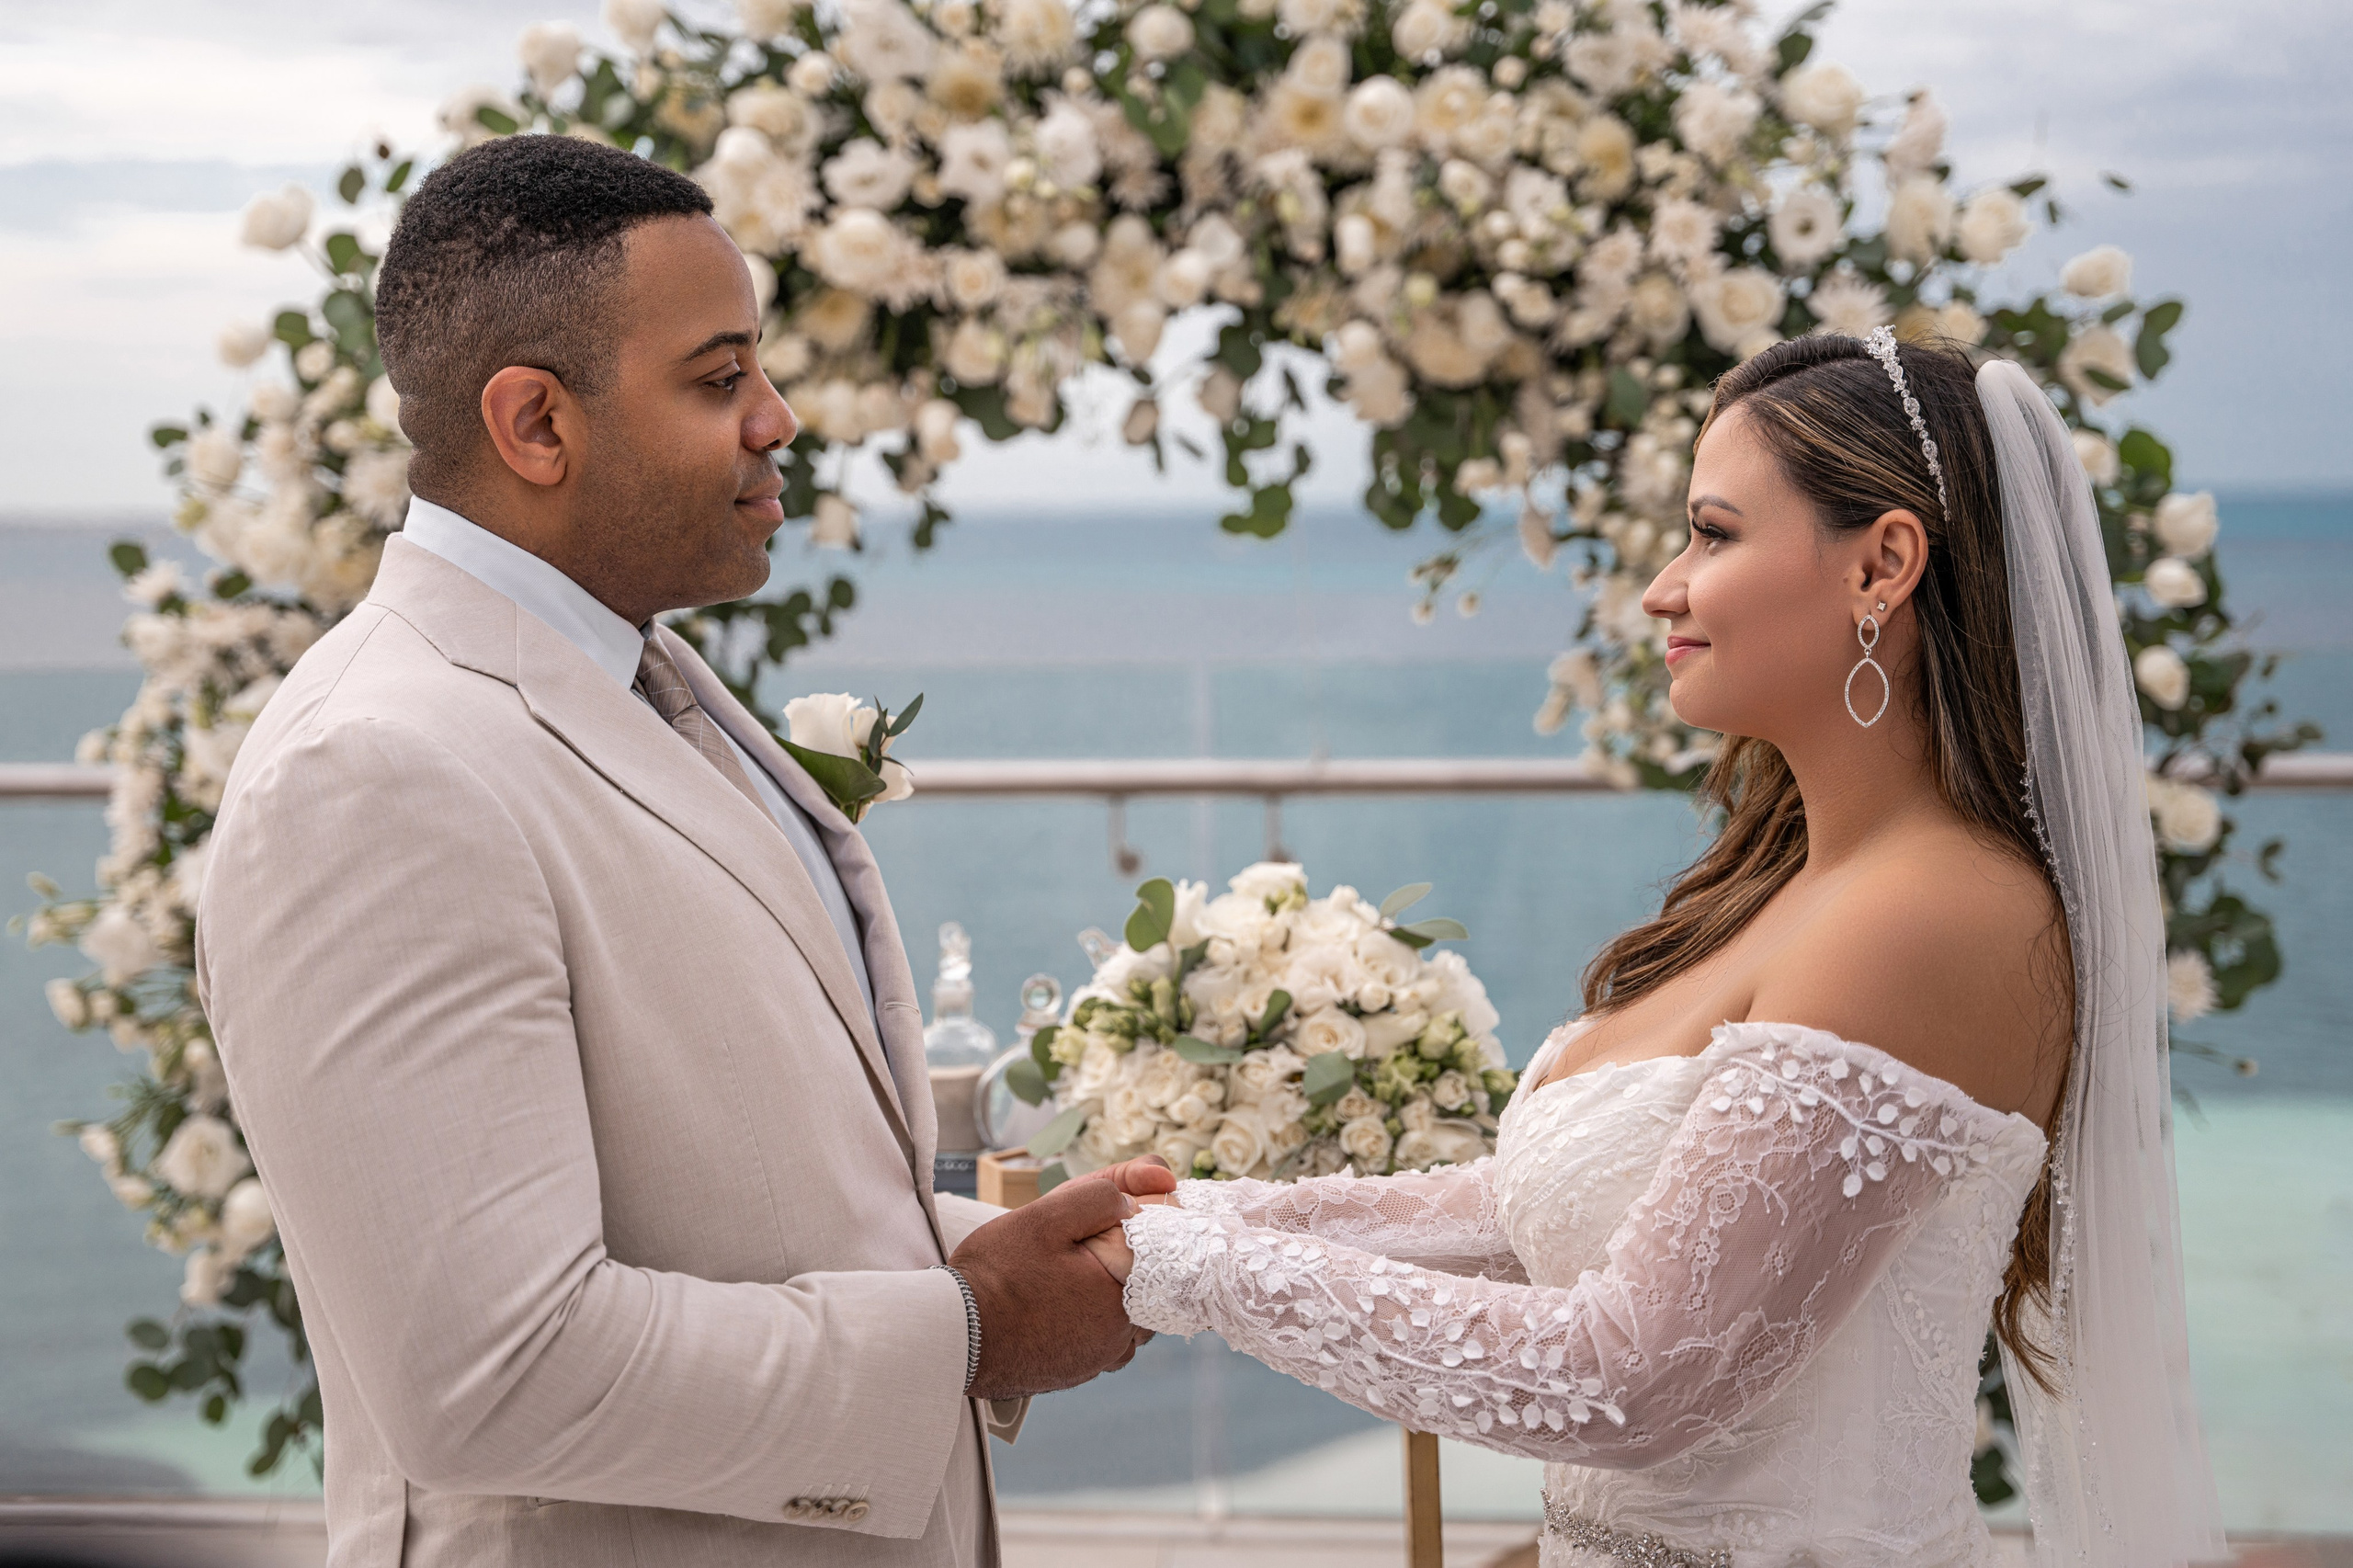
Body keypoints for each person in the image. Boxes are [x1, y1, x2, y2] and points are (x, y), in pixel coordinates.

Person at [1087, 334, 2227, 1567]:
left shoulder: (1931, 912)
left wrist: (1176, 1267)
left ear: (1883, 563)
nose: (1661, 588)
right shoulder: (1789, 890)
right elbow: (1519, 1215)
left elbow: (1629, 1377)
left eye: (1714, 532)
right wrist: (1174, 1208)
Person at [196, 132, 1172, 1568]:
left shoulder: (638, 675)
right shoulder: (376, 773)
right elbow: (495, 1372)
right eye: (721, 380)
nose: (778, 419)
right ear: (537, 424)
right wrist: (971, 1329)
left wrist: (970, 1257)